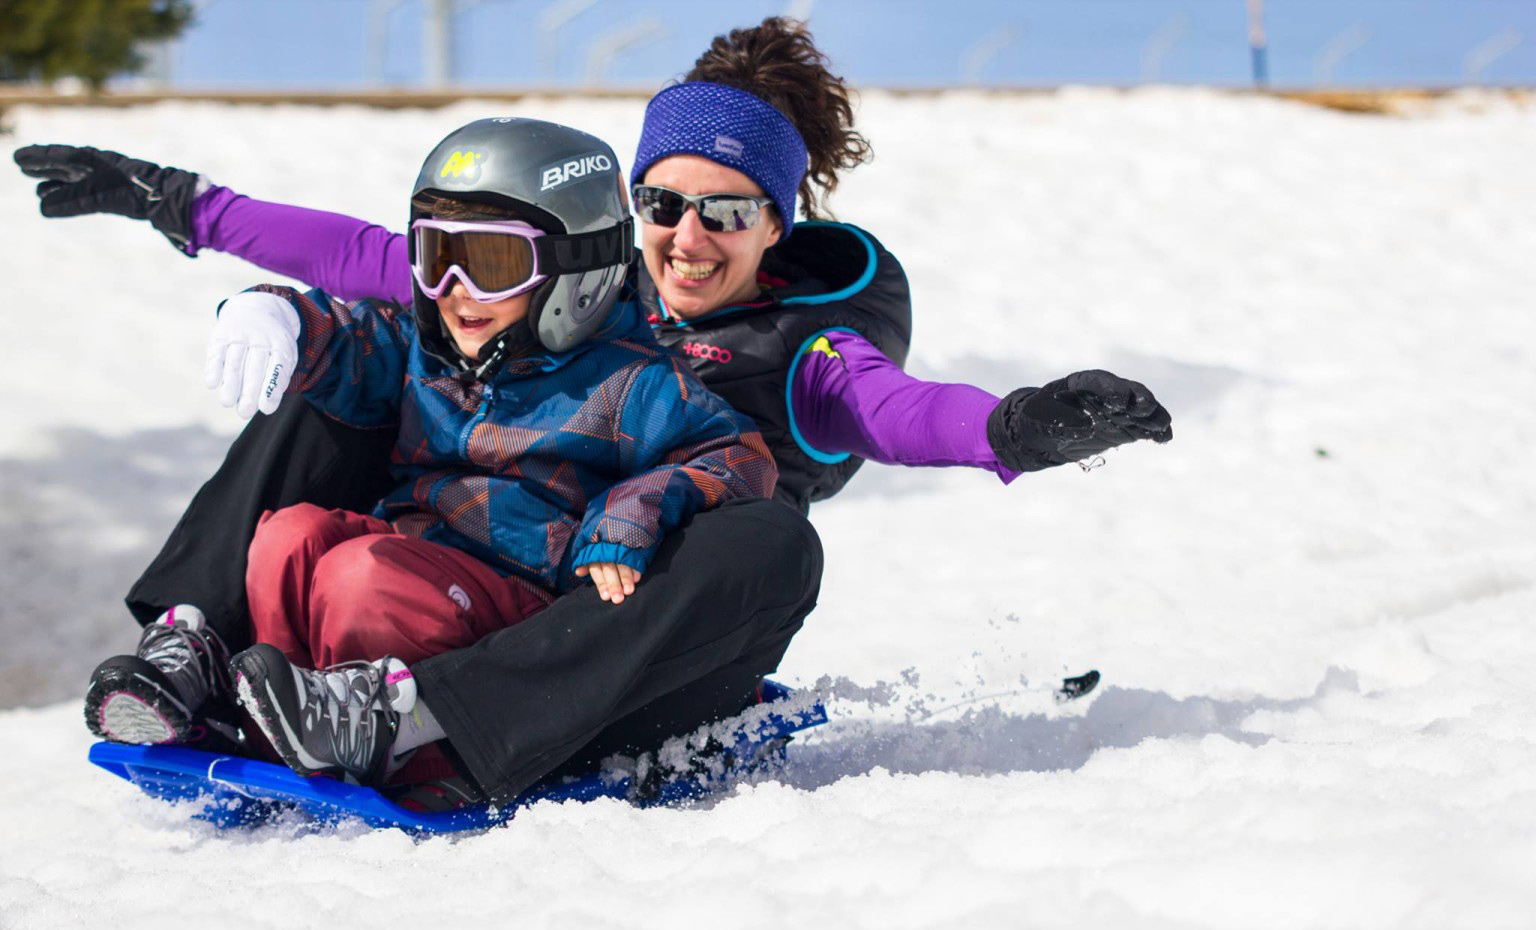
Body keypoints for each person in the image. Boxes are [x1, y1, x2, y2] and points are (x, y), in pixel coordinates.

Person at [14, 18, 1170, 806]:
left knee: (770, 537)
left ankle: (421, 721)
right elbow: (374, 258)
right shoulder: (569, 279)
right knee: (334, 372)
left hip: (621, 642)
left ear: (778, 224)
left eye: (729, 213)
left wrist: (1015, 426)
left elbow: (906, 409)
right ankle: (190, 646)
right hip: (463, 560)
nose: (688, 237)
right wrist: (181, 205)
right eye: (666, 201)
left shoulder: (797, 350)